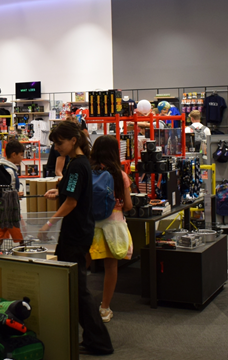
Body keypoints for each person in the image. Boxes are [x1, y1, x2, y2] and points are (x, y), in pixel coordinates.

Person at [40, 121, 113, 355]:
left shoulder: (78, 165)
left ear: (73, 141)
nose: (56, 148)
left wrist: (49, 223)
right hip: (78, 232)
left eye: (59, 143)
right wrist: (58, 193)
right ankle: (93, 339)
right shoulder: (79, 164)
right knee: (76, 288)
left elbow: (72, 202)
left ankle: (99, 341)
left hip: (76, 234)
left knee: (79, 290)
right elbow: (72, 193)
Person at [87, 135, 133, 324]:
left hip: (90, 225)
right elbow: (128, 205)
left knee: (83, 264)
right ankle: (105, 307)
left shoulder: (87, 171)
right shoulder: (120, 175)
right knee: (111, 266)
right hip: (113, 225)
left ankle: (77, 302)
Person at [0, 140, 25, 243]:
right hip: (11, 211)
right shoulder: (9, 171)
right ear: (13, 154)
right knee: (22, 237)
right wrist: (15, 194)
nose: (22, 158)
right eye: (21, 155)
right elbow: (4, 191)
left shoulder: (0, 168)